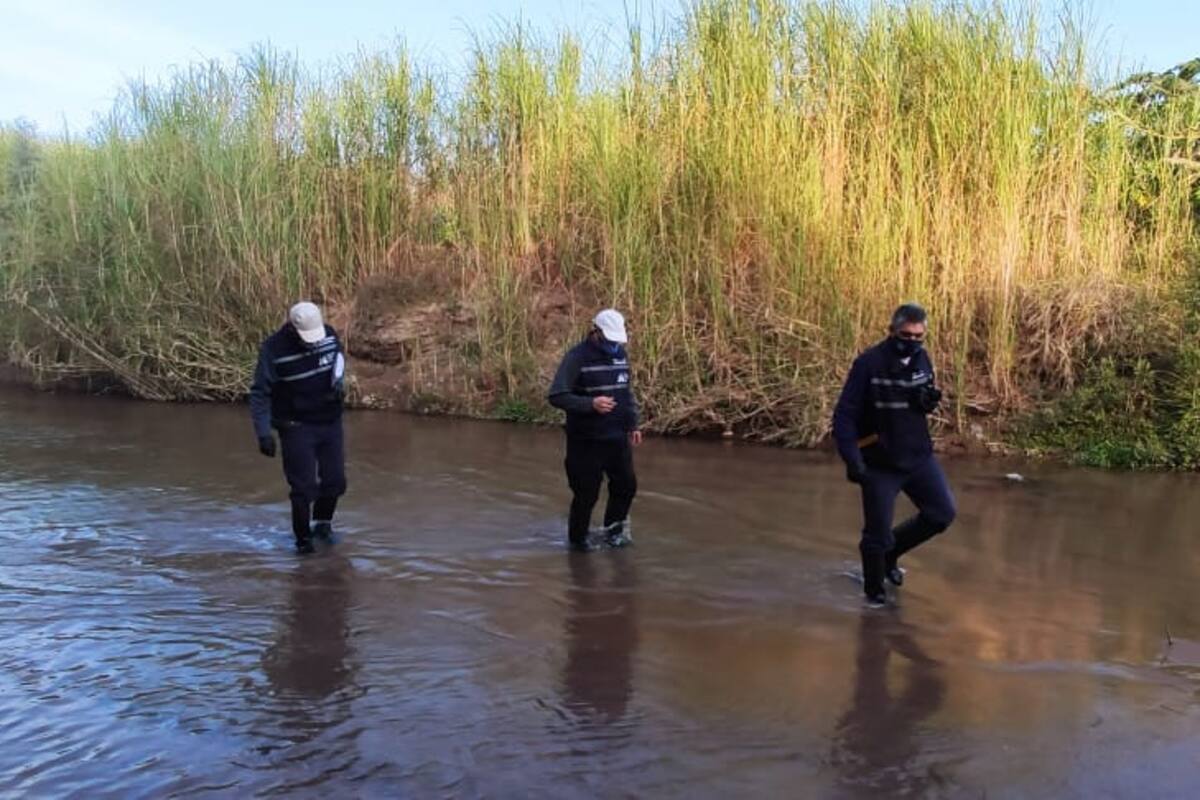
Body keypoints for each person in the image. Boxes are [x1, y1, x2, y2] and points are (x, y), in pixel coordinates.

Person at [832, 303, 956, 606]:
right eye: (905, 335)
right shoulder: (868, 364)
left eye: (918, 336)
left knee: (942, 514)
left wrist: (926, 401)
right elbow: (844, 416)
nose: (912, 341)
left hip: (918, 456)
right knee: (876, 536)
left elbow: (918, 400)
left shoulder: (922, 358)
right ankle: (874, 600)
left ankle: (891, 556)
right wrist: (852, 459)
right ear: (891, 331)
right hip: (879, 463)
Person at [250, 301, 347, 554]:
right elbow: (260, 392)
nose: (313, 342)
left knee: (335, 482)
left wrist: (338, 382)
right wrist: (263, 432)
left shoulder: (329, 334)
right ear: (293, 328)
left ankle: (323, 524)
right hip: (295, 425)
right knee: (304, 489)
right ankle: (303, 541)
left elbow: (338, 359)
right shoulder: (273, 349)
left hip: (329, 421)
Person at [548, 309, 643, 551]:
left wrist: (632, 423)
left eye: (617, 341)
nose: (614, 345)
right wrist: (590, 404)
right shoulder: (577, 357)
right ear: (596, 332)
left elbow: (626, 392)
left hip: (616, 438)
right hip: (586, 441)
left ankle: (614, 534)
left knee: (626, 486)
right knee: (586, 495)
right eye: (610, 340)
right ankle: (578, 546)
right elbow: (557, 396)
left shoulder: (621, 354)